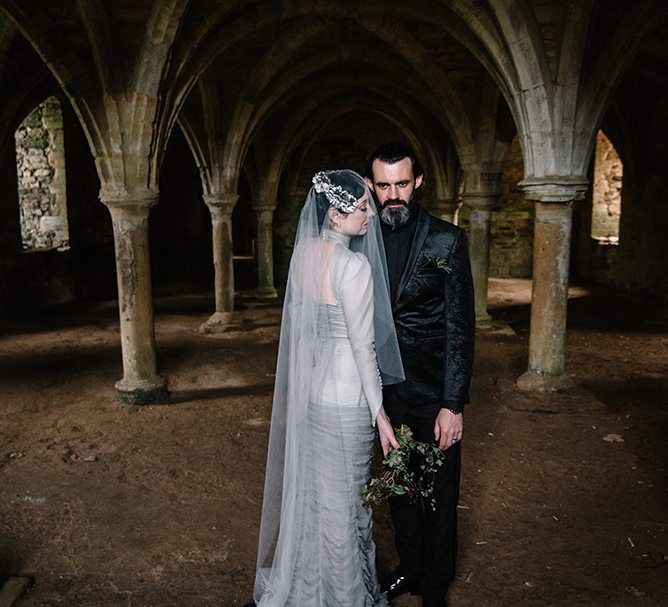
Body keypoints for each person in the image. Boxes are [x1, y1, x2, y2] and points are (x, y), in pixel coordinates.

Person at [245, 170, 405, 607]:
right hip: (347, 401)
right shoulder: (353, 266)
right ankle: (344, 597)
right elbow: (363, 347)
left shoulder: (304, 256)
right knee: (347, 507)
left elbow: (303, 335)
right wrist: (381, 414)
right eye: (361, 207)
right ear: (334, 217)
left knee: (320, 502)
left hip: (314, 395)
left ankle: (311, 590)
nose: (370, 213)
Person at [365, 143, 475, 607]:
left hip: (433, 393)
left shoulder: (446, 241)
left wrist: (454, 404)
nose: (394, 195)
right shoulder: (360, 236)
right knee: (399, 489)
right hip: (385, 394)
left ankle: (435, 583)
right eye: (384, 185)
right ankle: (409, 569)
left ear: (419, 182)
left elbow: (460, 328)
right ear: (371, 185)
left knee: (438, 493)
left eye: (402, 184)